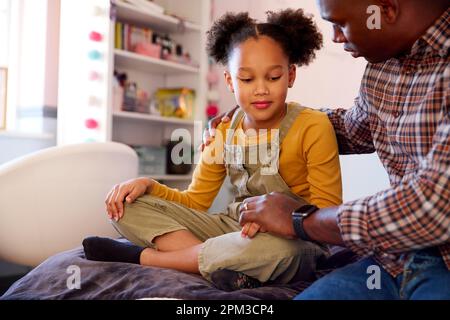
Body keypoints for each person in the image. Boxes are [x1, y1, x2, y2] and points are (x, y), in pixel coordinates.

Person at [82, 9, 343, 291]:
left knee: (276, 251)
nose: (260, 90)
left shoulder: (313, 126)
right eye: (246, 79)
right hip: (234, 226)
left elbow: (328, 215)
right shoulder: (223, 130)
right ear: (230, 81)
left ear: (290, 75)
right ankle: (219, 263)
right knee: (127, 207)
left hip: (293, 240)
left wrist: (283, 222)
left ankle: (147, 258)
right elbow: (195, 202)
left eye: (273, 77)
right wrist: (148, 185)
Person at [206, 0, 450, 299]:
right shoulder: (384, 66)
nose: (336, 37)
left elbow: (434, 205)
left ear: (385, 10)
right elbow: (352, 130)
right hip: (393, 259)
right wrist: (266, 116)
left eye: (340, 23)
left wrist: (300, 219)